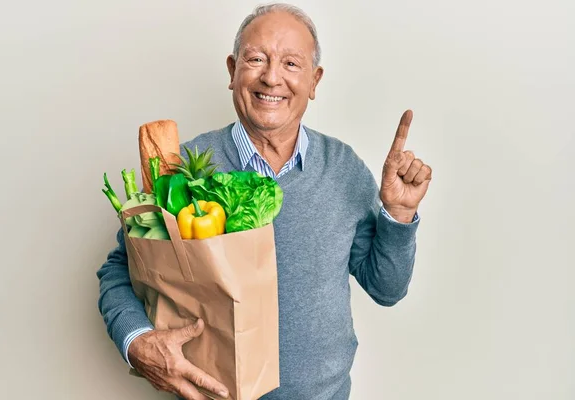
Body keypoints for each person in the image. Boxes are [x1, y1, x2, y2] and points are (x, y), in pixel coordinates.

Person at [97, 3, 432, 400]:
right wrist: (137, 342)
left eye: (292, 64)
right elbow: (121, 270)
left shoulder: (342, 167)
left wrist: (399, 213)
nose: (272, 78)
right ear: (232, 70)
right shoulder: (181, 169)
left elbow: (386, 289)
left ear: (314, 80)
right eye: (256, 59)